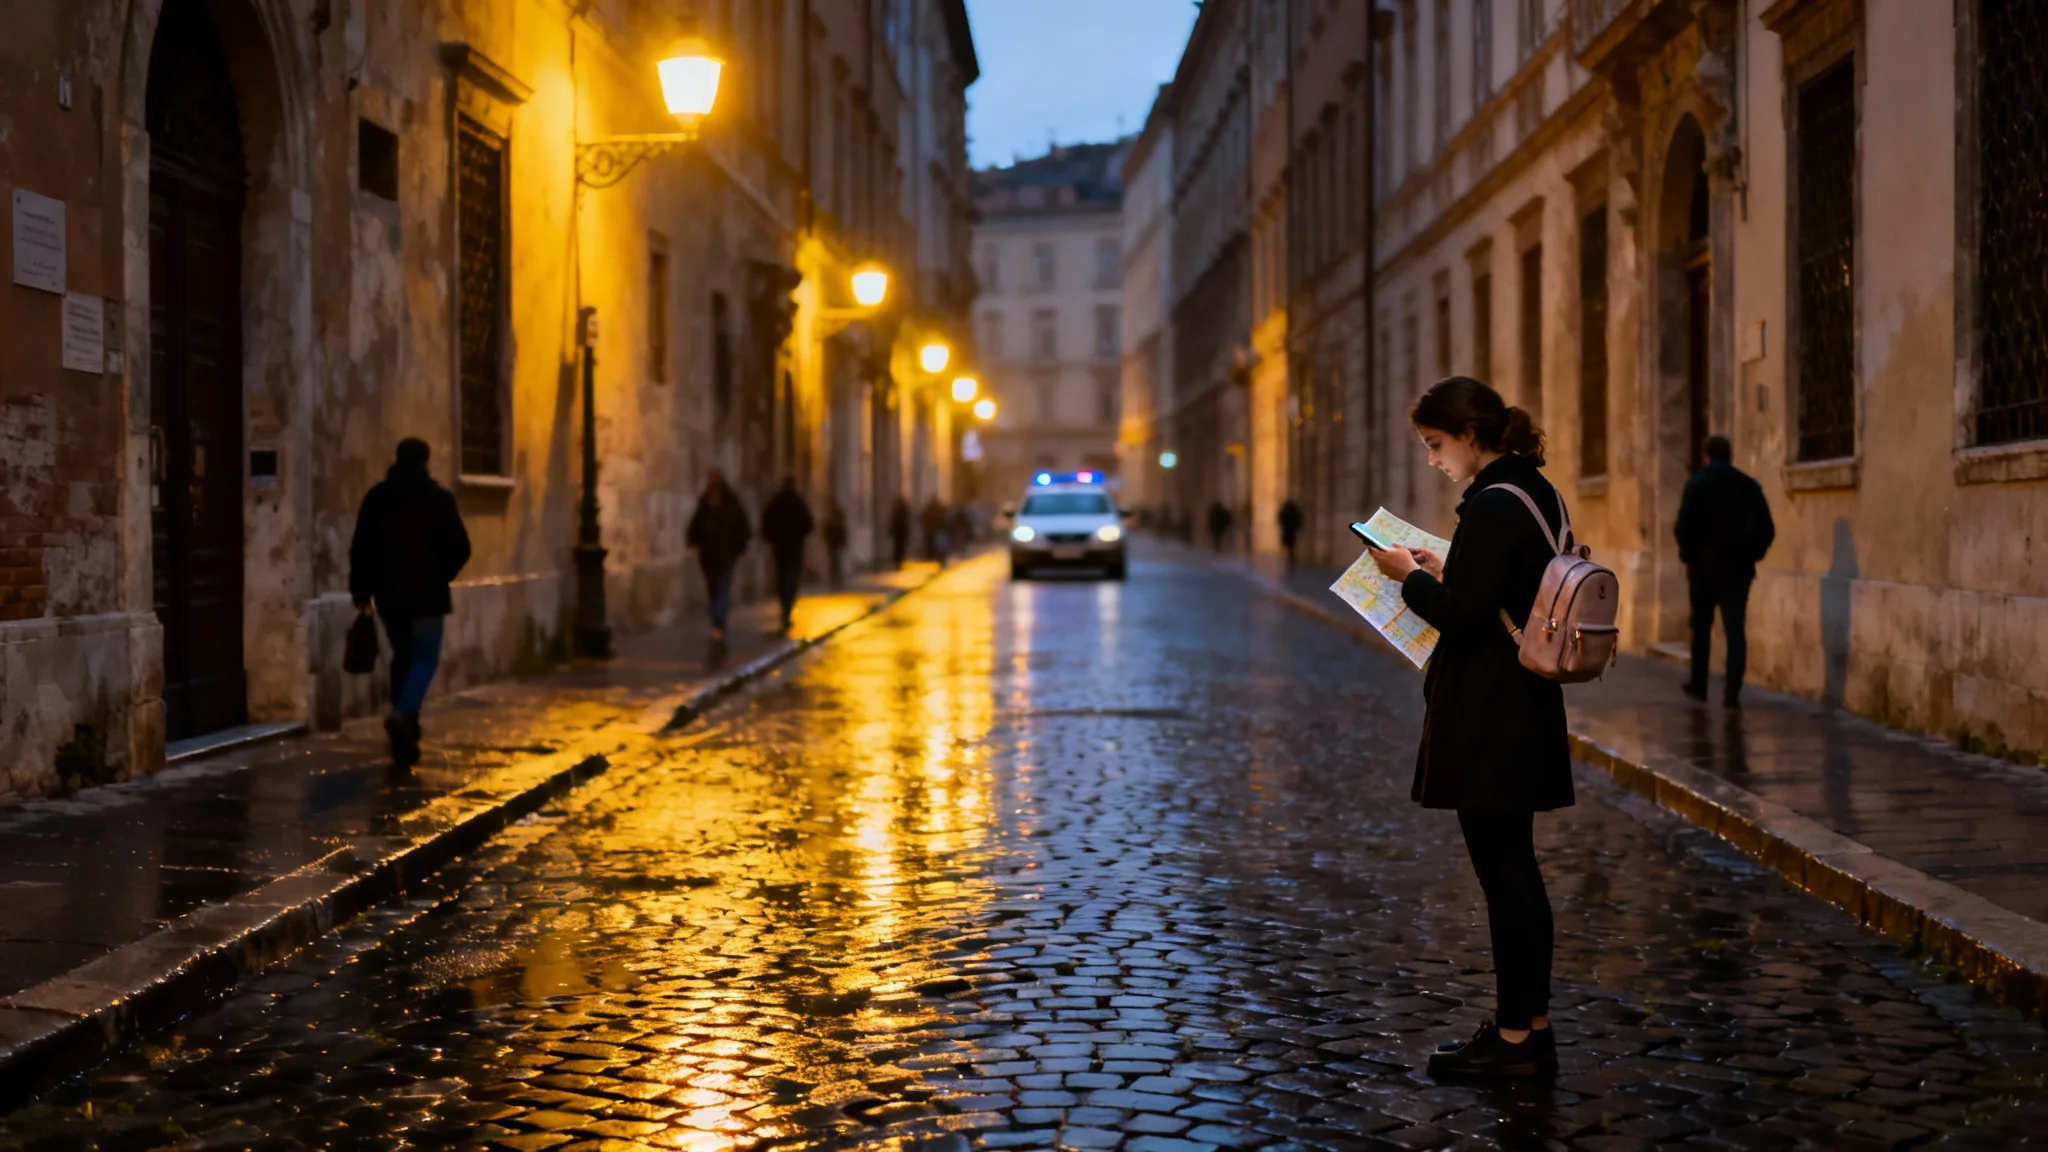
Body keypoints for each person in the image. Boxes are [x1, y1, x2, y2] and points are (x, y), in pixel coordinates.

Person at [1366, 376, 1571, 1079]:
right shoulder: (1535, 490)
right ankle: (1530, 1029)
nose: (1433, 460)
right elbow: (1501, 584)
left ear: (1470, 435)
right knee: (1517, 871)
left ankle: (1515, 1042)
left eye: (1436, 444)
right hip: (1523, 702)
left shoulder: (1492, 502)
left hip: (1490, 709)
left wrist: (1406, 575)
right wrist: (1444, 568)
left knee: (1505, 875)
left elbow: (1462, 615)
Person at [348, 437, 471, 770]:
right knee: (424, 658)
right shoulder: (439, 499)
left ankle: (406, 727)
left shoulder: (377, 498)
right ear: (426, 461)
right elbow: (461, 547)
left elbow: (361, 548)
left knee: (402, 656)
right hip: (428, 595)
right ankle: (403, 715)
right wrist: (441, 574)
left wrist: (361, 592)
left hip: (388, 595)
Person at [1674, 434, 1775, 708]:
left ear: (1707, 456)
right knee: (1735, 631)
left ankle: (1699, 685)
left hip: (1702, 570)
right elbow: (1766, 529)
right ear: (1730, 455)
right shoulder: (1747, 486)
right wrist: (1751, 554)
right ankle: (1732, 692)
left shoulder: (1697, 485)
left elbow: (1683, 527)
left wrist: (1689, 557)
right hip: (1737, 571)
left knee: (1701, 628)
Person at [686, 470, 751, 645]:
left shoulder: (725, 503)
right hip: (715, 553)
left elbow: (741, 527)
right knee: (717, 587)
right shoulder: (708, 502)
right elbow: (696, 525)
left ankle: (718, 620)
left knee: (719, 586)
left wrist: (741, 547)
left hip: (720, 553)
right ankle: (718, 620)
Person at [760, 478, 814, 632]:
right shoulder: (798, 502)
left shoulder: (776, 502)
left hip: (780, 547)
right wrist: (800, 536)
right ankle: (787, 608)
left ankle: (784, 606)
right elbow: (808, 524)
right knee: (792, 578)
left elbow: (766, 521)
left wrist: (771, 538)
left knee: (782, 577)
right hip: (794, 547)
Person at [823, 500, 850, 589]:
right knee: (835, 562)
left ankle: (837, 581)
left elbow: (841, 531)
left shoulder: (834, 518)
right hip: (834, 543)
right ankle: (836, 581)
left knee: (836, 562)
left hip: (836, 543)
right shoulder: (832, 518)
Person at [921, 496, 949, 565]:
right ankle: (936, 559)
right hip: (936, 531)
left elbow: (923, 518)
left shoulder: (929, 509)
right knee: (937, 547)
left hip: (930, 531)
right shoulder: (938, 509)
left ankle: (930, 559)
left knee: (930, 547)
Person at [1278, 498, 1305, 569]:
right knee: (1291, 544)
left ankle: (1288, 555)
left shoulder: (1286, 510)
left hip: (1287, 530)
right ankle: (1290, 555)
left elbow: (1280, 518)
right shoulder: (1293, 511)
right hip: (1291, 530)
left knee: (1288, 543)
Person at [888, 496, 912, 570]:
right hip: (902, 532)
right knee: (901, 547)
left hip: (898, 532)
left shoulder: (896, 509)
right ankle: (899, 561)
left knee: (897, 547)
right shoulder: (904, 509)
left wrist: (891, 530)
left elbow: (893, 521)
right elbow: (907, 521)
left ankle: (897, 561)